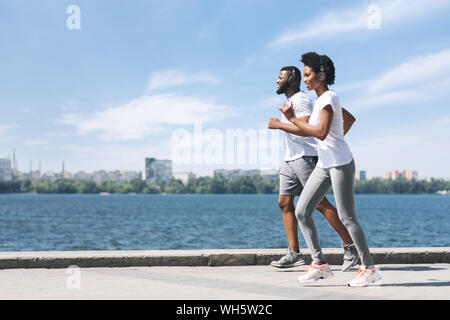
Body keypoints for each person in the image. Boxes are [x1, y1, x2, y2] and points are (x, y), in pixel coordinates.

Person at [280, 53, 381, 287]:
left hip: (340, 164)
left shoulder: (328, 98)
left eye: (308, 75)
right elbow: (335, 128)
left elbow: (321, 133)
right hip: (324, 164)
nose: (304, 80)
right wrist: (333, 138)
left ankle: (369, 268)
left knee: (347, 217)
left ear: (321, 74)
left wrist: (292, 119)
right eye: (303, 75)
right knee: (302, 211)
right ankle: (319, 265)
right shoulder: (320, 100)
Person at [268, 66, 360, 271]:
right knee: (284, 202)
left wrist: (280, 125)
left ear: (291, 80)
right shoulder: (292, 101)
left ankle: (351, 246)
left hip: (306, 157)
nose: (276, 81)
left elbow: (306, 130)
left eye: (280, 77)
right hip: (290, 159)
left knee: (319, 204)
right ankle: (294, 253)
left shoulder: (300, 99)